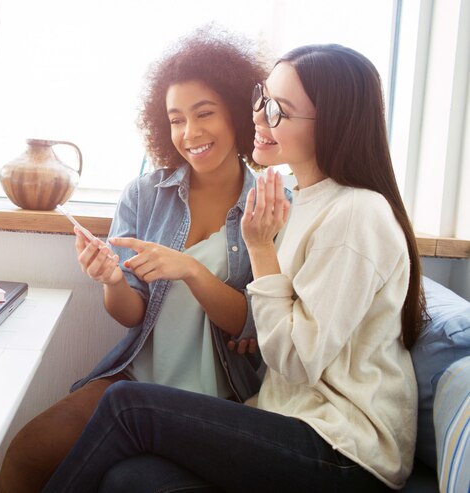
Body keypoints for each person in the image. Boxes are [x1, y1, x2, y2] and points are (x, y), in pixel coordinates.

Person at [41, 44, 427, 493]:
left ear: (333, 123)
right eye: (263, 100)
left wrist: (259, 251)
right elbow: (281, 328)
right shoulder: (300, 201)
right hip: (287, 418)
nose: (259, 118)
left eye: (280, 111)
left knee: (127, 407)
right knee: (127, 480)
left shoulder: (357, 215)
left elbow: (296, 359)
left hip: (345, 449)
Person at [0, 26, 268, 493]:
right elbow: (131, 314)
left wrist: (190, 269)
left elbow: (251, 326)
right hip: (138, 377)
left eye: (205, 114)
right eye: (176, 119)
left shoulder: (268, 205)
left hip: (220, 398)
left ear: (239, 115)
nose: (190, 133)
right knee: (28, 450)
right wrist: (111, 281)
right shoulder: (145, 195)